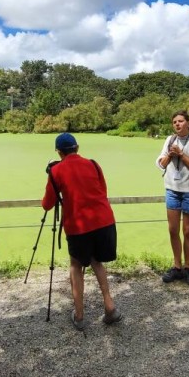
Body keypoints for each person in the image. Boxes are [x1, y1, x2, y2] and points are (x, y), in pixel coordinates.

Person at [42, 133, 122, 330]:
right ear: (77, 148)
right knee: (97, 262)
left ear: (59, 152)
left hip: (78, 226)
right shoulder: (94, 164)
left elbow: (47, 204)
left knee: (76, 266)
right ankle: (110, 307)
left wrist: (52, 176)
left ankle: (79, 315)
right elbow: (102, 191)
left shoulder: (57, 171)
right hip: (104, 221)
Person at [156, 110, 189, 286]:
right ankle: (177, 267)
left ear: (188, 123)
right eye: (174, 122)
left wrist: (181, 155)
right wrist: (170, 155)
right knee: (172, 230)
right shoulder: (169, 140)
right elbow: (160, 164)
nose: (177, 124)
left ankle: (187, 266)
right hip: (172, 189)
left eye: (180, 121)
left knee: (187, 231)